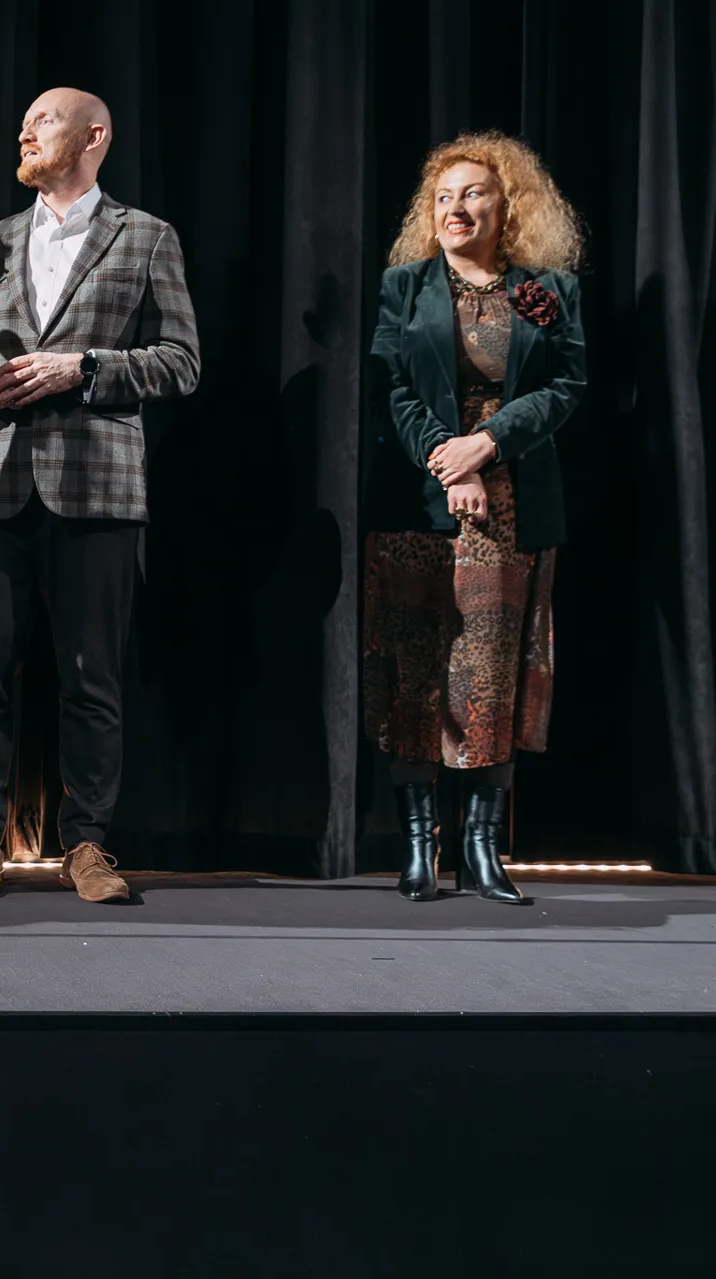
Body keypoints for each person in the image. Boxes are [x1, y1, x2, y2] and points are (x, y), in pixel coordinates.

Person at [0, 88, 199, 899]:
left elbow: (182, 362)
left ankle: (86, 845)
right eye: (25, 122)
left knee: (91, 679)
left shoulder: (146, 236)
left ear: (93, 136)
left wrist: (82, 367)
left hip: (97, 490)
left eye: (43, 120)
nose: (25, 130)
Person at [364, 132, 585, 904]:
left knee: (489, 677)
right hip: (418, 502)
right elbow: (391, 385)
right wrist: (449, 460)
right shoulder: (404, 286)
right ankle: (419, 848)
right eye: (443, 196)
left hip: (510, 505)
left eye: (473, 193)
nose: (455, 207)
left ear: (507, 205)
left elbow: (566, 384)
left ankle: (483, 850)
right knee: (416, 669)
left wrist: (487, 445)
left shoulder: (546, 289)